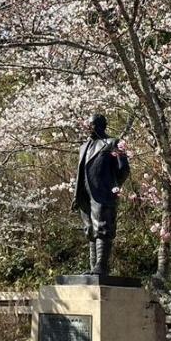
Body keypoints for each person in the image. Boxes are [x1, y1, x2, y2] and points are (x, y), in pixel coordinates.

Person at [72, 113, 130, 276]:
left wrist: (113, 187)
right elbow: (80, 171)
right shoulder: (83, 147)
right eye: (88, 125)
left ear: (101, 126)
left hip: (103, 193)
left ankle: (101, 266)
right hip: (85, 194)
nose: (89, 128)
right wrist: (77, 195)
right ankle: (94, 268)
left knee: (103, 228)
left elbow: (123, 169)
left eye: (92, 125)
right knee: (90, 229)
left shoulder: (113, 143)